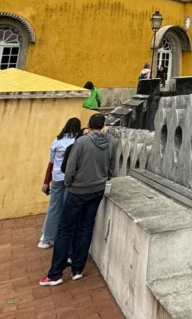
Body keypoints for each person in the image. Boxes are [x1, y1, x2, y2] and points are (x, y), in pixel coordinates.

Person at [40, 113, 115, 286]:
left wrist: (70, 183)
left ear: (89, 125)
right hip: (97, 190)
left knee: (65, 229)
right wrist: (103, 178)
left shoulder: (82, 142)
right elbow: (112, 167)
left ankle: (55, 273)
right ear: (103, 126)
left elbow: (71, 167)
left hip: (78, 191)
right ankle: (77, 269)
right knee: (86, 227)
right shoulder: (111, 142)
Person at [38, 117, 83, 249]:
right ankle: (64, 239)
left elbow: (51, 163)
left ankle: (46, 238)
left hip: (57, 178)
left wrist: (46, 182)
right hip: (71, 179)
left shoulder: (57, 141)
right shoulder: (78, 142)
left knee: (53, 208)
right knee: (66, 209)